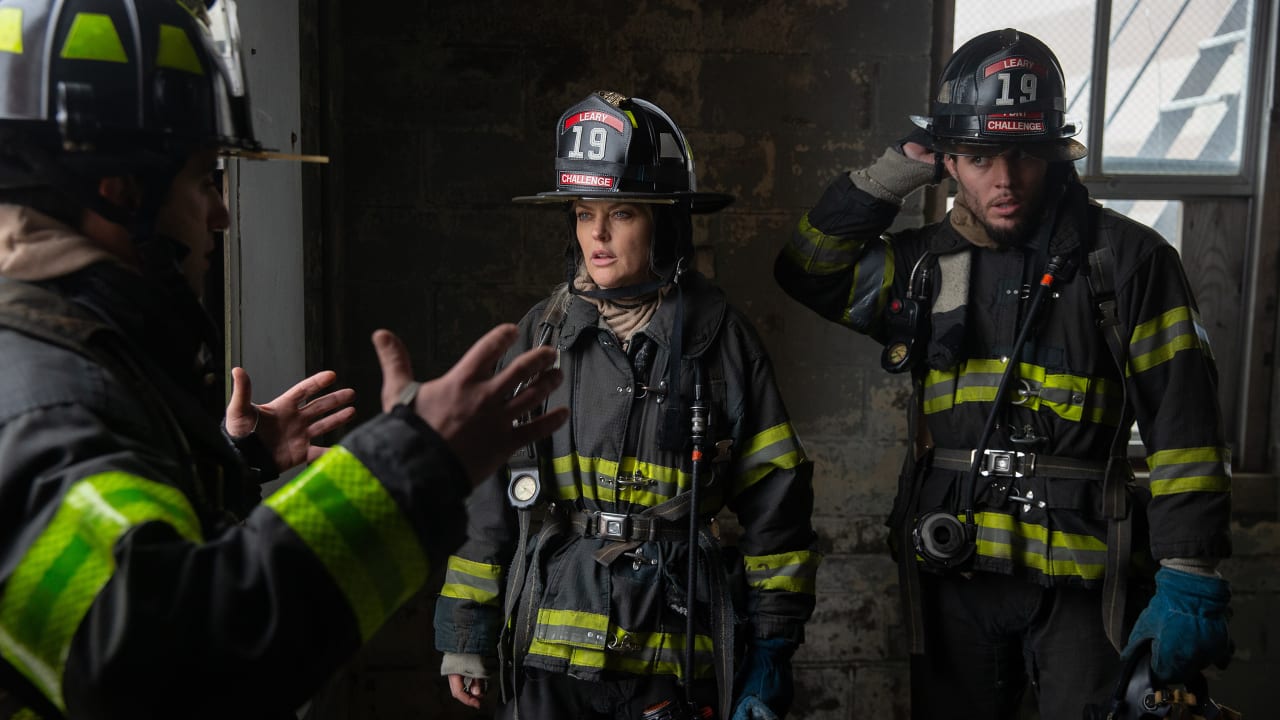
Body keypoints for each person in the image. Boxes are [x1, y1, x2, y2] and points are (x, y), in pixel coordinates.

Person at [0, 1, 567, 718]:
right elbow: (175, 669)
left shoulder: (53, 360)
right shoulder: (41, 396)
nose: (222, 215)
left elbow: (126, 574)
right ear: (119, 188)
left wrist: (233, 467)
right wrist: (415, 463)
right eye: (206, 177)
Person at [775, 28, 1232, 720]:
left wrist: (1189, 570)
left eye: (1023, 154)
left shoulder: (1128, 262)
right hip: (954, 578)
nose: (1005, 179)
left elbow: (1184, 427)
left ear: (1053, 154)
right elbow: (808, 268)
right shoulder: (925, 266)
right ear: (949, 159)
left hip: (1087, 586)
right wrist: (894, 171)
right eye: (981, 156)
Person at [433, 91, 821, 720]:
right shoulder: (540, 336)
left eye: (624, 214)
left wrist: (772, 646)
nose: (599, 235)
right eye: (585, 214)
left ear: (666, 222)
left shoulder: (720, 339)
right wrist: (466, 633)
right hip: (547, 648)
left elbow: (778, 501)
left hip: (672, 649)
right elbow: (489, 493)